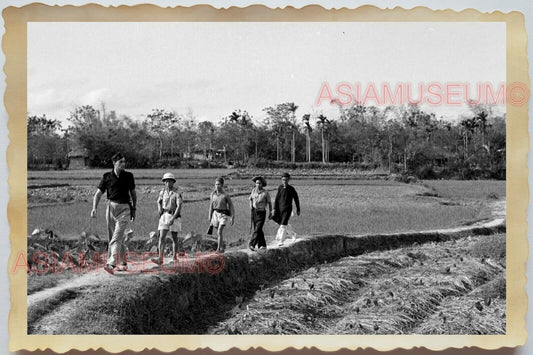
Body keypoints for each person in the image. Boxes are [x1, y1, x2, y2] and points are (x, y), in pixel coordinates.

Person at [91, 152, 136, 274]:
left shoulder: (129, 176)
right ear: (114, 163)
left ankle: (111, 263)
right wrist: (94, 208)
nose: (123, 164)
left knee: (117, 235)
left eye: (124, 161)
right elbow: (98, 194)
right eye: (120, 162)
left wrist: (134, 209)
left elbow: (133, 194)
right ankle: (123, 262)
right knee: (113, 235)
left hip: (125, 208)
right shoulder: (107, 177)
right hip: (110, 208)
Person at [155, 172, 183, 265]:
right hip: (164, 215)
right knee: (161, 237)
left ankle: (175, 257)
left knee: (174, 237)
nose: (168, 183)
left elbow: (179, 206)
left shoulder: (177, 193)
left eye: (169, 181)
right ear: (164, 182)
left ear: (173, 182)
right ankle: (160, 258)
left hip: (173, 215)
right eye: (166, 181)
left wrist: (173, 218)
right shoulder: (162, 192)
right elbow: (158, 201)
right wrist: (159, 209)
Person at [272, 172, 300, 246]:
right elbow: (277, 198)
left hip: (287, 209)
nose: (285, 181)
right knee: (281, 222)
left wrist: (298, 209)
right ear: (281, 180)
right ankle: (293, 234)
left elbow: (296, 199)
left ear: (289, 180)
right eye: (283, 179)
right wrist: (274, 208)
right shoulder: (280, 187)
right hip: (279, 208)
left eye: (286, 180)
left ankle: (281, 240)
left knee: (283, 225)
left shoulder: (291, 189)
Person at [208, 177, 234, 253]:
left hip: (223, 215)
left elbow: (231, 206)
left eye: (219, 184)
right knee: (219, 232)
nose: (217, 186)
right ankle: (222, 247)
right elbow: (211, 205)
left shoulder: (225, 195)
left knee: (219, 231)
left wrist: (232, 217)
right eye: (216, 184)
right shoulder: (212, 194)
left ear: (222, 185)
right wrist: (209, 216)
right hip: (215, 214)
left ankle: (218, 249)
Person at [248, 176, 272, 251]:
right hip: (254, 211)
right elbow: (250, 199)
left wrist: (271, 213)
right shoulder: (253, 191)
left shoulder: (265, 193)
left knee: (257, 228)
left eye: (259, 183)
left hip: (262, 212)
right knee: (258, 229)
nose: (258, 184)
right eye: (257, 183)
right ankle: (262, 245)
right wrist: (251, 206)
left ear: (262, 184)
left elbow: (269, 203)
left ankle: (252, 244)